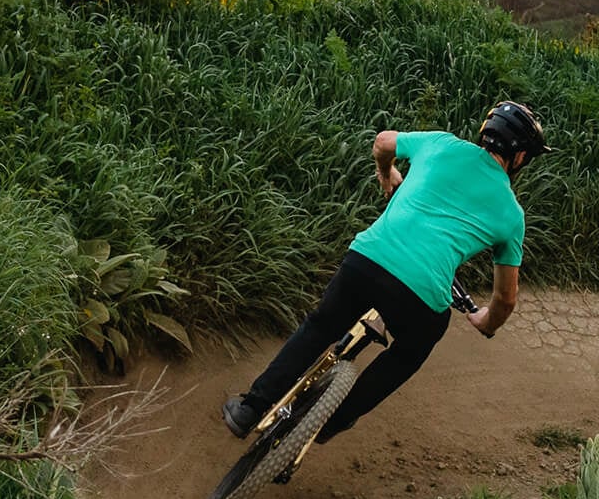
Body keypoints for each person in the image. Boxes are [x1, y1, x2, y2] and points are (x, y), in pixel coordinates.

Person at [221, 100, 550, 443]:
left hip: (366, 260)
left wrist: (386, 172)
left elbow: (382, 142)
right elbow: (506, 298)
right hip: (420, 297)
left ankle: (251, 409)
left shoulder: (441, 143)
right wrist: (485, 321)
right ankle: (331, 422)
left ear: (486, 132)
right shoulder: (512, 215)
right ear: (521, 157)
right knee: (408, 354)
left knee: (320, 326)